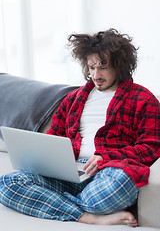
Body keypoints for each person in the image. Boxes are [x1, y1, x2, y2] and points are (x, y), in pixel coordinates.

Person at [0, 28, 160, 227]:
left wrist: (106, 158)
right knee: (8, 184)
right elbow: (52, 139)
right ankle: (87, 216)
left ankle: (57, 203)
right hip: (71, 171)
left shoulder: (144, 100)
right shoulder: (72, 100)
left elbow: (151, 148)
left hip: (111, 172)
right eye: (91, 67)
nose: (96, 74)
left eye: (103, 67)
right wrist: (47, 160)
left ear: (120, 66)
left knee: (120, 184)